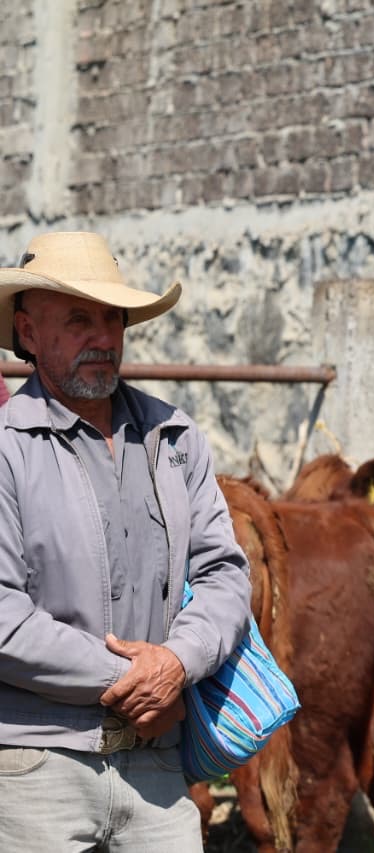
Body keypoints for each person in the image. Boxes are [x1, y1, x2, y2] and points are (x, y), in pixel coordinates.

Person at [0, 231, 252, 850]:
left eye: (113, 319)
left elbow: (224, 574)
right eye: (78, 320)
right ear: (28, 333)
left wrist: (178, 662)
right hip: (38, 770)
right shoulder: (7, 447)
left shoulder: (174, 436)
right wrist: (138, 679)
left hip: (158, 767)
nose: (103, 337)